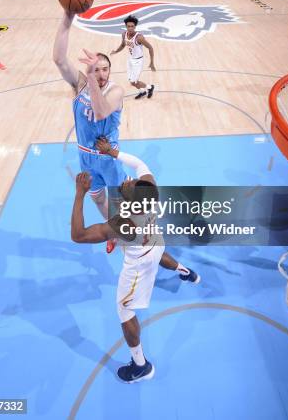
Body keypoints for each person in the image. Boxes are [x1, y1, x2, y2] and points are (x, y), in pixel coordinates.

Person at [71, 141, 200, 383]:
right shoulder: (151, 190)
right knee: (159, 254)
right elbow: (140, 164)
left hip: (138, 264)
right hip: (154, 242)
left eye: (128, 185)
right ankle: (186, 272)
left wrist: (79, 195)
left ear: (130, 202)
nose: (127, 181)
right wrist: (113, 152)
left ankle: (141, 366)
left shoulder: (124, 224)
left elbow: (78, 235)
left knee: (125, 311)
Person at [53, 11, 125, 253]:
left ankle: (121, 229)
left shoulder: (116, 91)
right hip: (86, 155)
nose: (101, 74)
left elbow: (101, 111)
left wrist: (91, 78)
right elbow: (59, 60)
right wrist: (67, 17)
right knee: (97, 198)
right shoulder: (81, 85)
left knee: (118, 202)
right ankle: (111, 232)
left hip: (109, 156)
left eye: (105, 69)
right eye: (97, 69)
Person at [110, 15, 155, 99]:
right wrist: (116, 51)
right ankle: (142, 92)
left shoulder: (139, 37)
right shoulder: (124, 34)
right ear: (126, 26)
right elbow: (123, 45)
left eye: (132, 26)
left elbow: (150, 47)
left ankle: (150, 87)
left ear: (135, 26)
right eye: (128, 26)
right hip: (130, 59)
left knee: (134, 82)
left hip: (138, 61)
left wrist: (152, 62)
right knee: (131, 81)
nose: (130, 28)